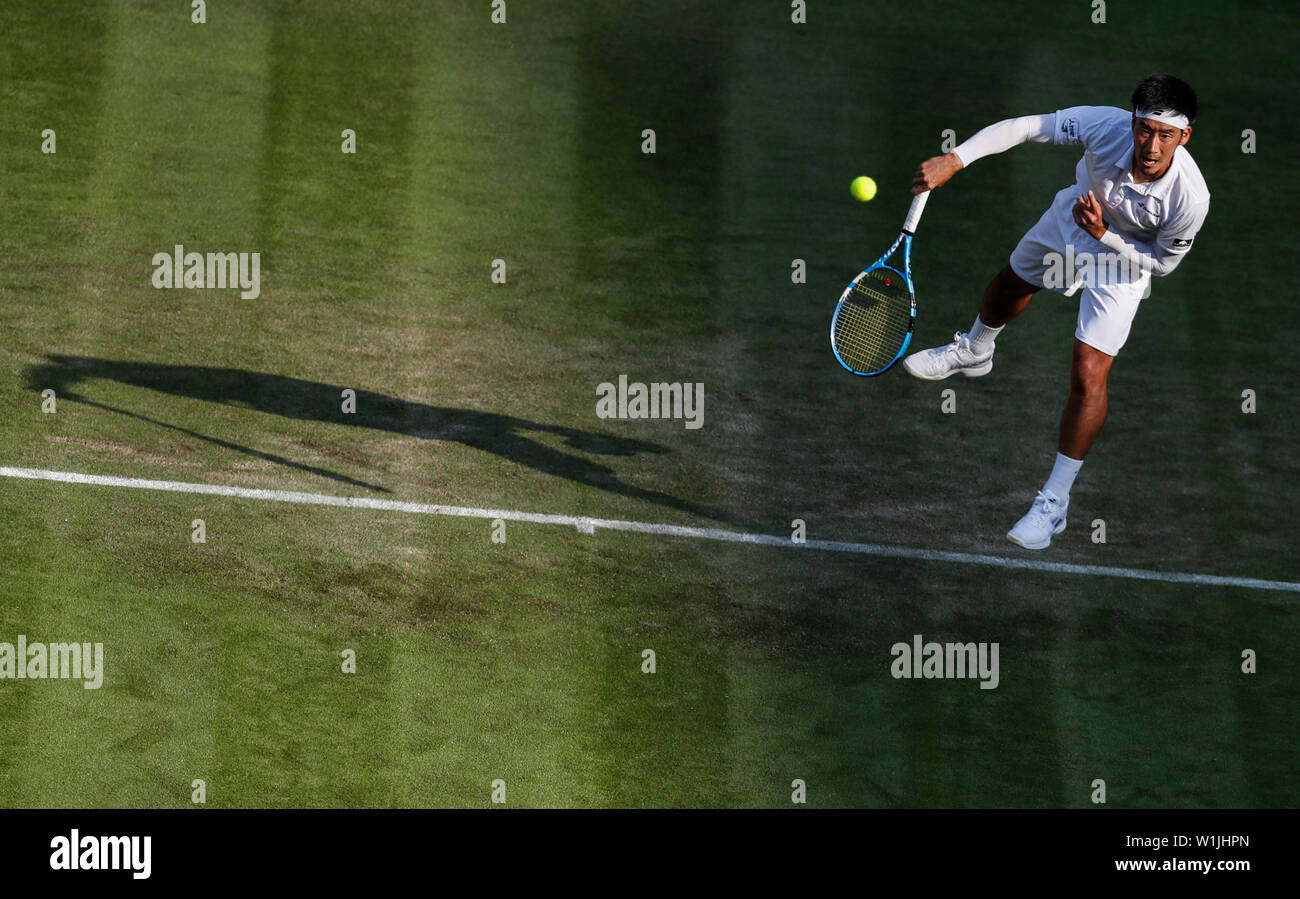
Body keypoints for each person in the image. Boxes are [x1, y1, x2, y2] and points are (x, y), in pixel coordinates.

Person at [903, 73, 1209, 549]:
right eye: (1145, 130)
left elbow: (1162, 265)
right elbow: (1026, 127)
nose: (1152, 145)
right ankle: (974, 352)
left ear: (1184, 136)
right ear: (1132, 122)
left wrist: (1106, 235)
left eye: (1165, 135)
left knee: (1088, 375)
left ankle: (1054, 503)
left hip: (1123, 263)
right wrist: (955, 159)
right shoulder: (1103, 126)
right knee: (1011, 284)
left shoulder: (1190, 198)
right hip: (1071, 222)